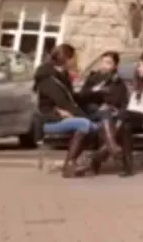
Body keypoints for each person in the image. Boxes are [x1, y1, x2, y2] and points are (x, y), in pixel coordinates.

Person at [33, 44, 98, 178]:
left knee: (94, 124)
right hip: (49, 119)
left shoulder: (62, 75)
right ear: (67, 59)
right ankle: (69, 165)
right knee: (85, 124)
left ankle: (73, 163)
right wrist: (83, 116)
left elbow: (72, 98)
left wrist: (94, 95)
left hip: (62, 116)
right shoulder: (48, 78)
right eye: (74, 58)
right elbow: (63, 102)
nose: (76, 61)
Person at [76, 50, 129, 176]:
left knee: (116, 122)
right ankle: (115, 152)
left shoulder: (118, 82)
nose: (105, 65)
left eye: (108, 63)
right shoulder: (93, 78)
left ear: (115, 66)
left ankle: (101, 155)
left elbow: (121, 100)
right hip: (91, 111)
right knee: (109, 119)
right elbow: (81, 96)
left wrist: (110, 105)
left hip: (110, 114)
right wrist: (95, 91)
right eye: (103, 62)